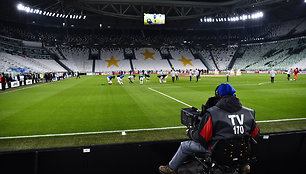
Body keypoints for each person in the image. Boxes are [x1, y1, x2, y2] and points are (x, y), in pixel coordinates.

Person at [159, 83, 260, 174]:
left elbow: (202, 138)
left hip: (217, 152)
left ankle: (171, 169)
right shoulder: (249, 112)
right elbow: (255, 135)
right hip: (243, 151)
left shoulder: (212, 113)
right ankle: (243, 165)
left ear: (219, 96)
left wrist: (190, 132)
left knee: (184, 146)